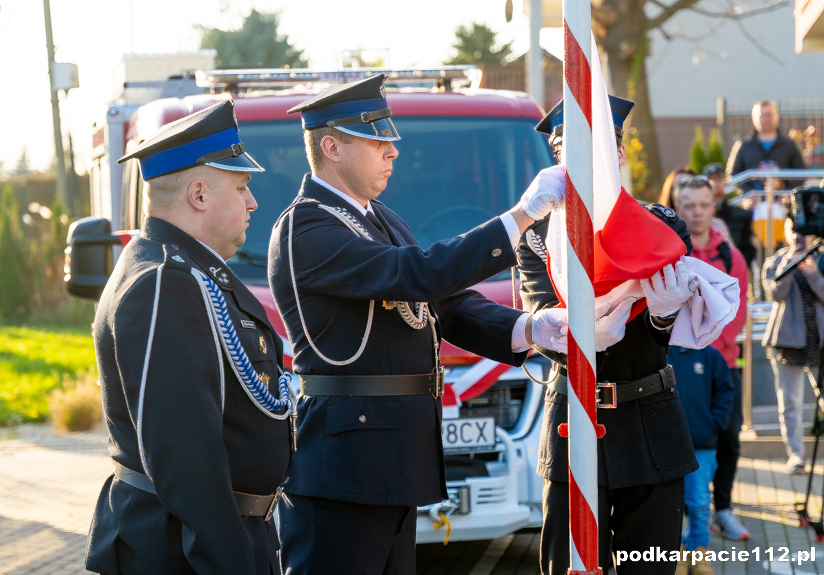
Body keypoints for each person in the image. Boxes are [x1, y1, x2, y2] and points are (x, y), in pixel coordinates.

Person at [267, 74, 568, 575]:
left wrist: (530, 328)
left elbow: (446, 303)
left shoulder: (379, 217)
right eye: (377, 139)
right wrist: (520, 217)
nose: (393, 152)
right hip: (346, 461)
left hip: (391, 453)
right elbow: (417, 274)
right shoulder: (307, 226)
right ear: (331, 147)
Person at [86, 100, 293, 575]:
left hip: (206, 540)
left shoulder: (181, 269)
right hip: (181, 551)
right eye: (241, 187)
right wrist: (233, 563)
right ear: (198, 194)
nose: (253, 201)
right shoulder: (165, 281)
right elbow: (185, 458)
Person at [518, 95, 700, 575]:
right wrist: (573, 334)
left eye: (598, 149)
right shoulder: (537, 238)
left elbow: (671, 327)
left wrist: (660, 317)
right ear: (556, 159)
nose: (581, 161)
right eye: (567, 151)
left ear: (619, 154)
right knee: (569, 565)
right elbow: (539, 319)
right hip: (574, 417)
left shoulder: (660, 225)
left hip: (649, 420)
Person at [672, 175, 750, 541]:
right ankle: (685, 514)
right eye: (689, 206)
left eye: (703, 205)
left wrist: (709, 350)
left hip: (720, 364)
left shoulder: (729, 256)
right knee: (680, 440)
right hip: (679, 367)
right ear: (678, 208)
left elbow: (736, 312)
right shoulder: (672, 255)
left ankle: (724, 509)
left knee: (729, 438)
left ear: (713, 207)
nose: (697, 213)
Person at [761, 216, 824, 474]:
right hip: (787, 342)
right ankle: (796, 454)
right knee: (790, 402)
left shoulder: (821, 260)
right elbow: (775, 293)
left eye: (803, 231)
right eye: (793, 230)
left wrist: (813, 275)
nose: (798, 236)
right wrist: (790, 263)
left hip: (820, 342)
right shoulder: (775, 261)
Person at [669, 345, 734, 575]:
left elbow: (725, 390)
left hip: (701, 445)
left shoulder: (709, 355)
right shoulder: (658, 352)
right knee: (668, 504)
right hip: (665, 447)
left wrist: (713, 425)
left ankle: (699, 553)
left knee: (698, 502)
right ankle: (674, 554)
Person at [726, 100, 807, 191]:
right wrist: (748, 193)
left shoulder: (789, 145)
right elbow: (733, 175)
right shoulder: (744, 146)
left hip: (783, 203)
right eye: (761, 115)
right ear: (753, 118)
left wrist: (788, 192)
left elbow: (802, 173)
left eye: (769, 115)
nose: (766, 119)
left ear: (777, 116)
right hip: (753, 203)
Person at [703, 162, 756, 266]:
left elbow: (749, 248)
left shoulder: (742, 215)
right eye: (711, 179)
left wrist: (738, 266)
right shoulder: (699, 215)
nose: (715, 183)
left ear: (725, 182)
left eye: (718, 178)